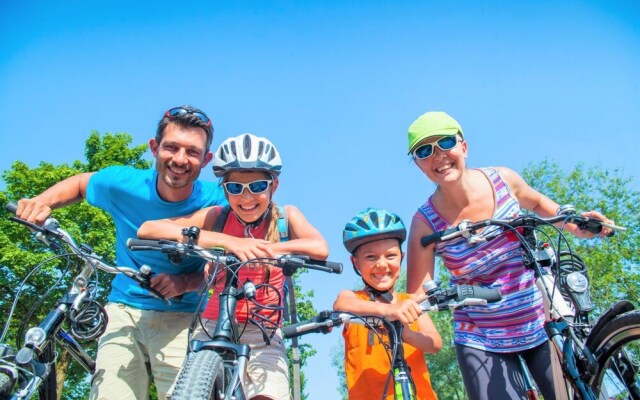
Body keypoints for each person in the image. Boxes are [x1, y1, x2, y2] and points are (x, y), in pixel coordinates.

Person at [15, 105, 226, 400]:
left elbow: (223, 266)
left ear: (206, 159)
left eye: (192, 152)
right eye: (171, 147)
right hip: (123, 311)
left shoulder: (218, 200)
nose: (180, 159)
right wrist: (41, 202)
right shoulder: (123, 184)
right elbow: (80, 183)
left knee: (189, 394)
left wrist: (185, 283)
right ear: (154, 148)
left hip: (184, 316)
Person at [404, 111, 616, 400]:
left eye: (445, 142)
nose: (438, 155)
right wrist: (395, 314)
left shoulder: (502, 180)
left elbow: (540, 203)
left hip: (539, 319)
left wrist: (577, 223)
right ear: (418, 164)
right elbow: (416, 294)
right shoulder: (424, 224)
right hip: (481, 336)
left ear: (463, 146)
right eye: (424, 150)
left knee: (579, 393)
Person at [137, 133, 329, 400]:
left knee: (267, 394)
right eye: (235, 188)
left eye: (258, 186)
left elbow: (319, 247)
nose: (246, 197)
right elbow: (149, 229)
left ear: (274, 185)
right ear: (224, 188)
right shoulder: (217, 216)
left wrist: (270, 249)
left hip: (262, 331)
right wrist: (227, 241)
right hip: (211, 323)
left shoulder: (285, 217)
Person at [333, 207, 442, 400]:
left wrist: (405, 334)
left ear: (402, 257)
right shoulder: (355, 298)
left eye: (390, 255)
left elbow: (435, 343)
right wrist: (389, 310)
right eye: (371, 257)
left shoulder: (409, 301)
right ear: (356, 263)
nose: (382, 264)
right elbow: (341, 304)